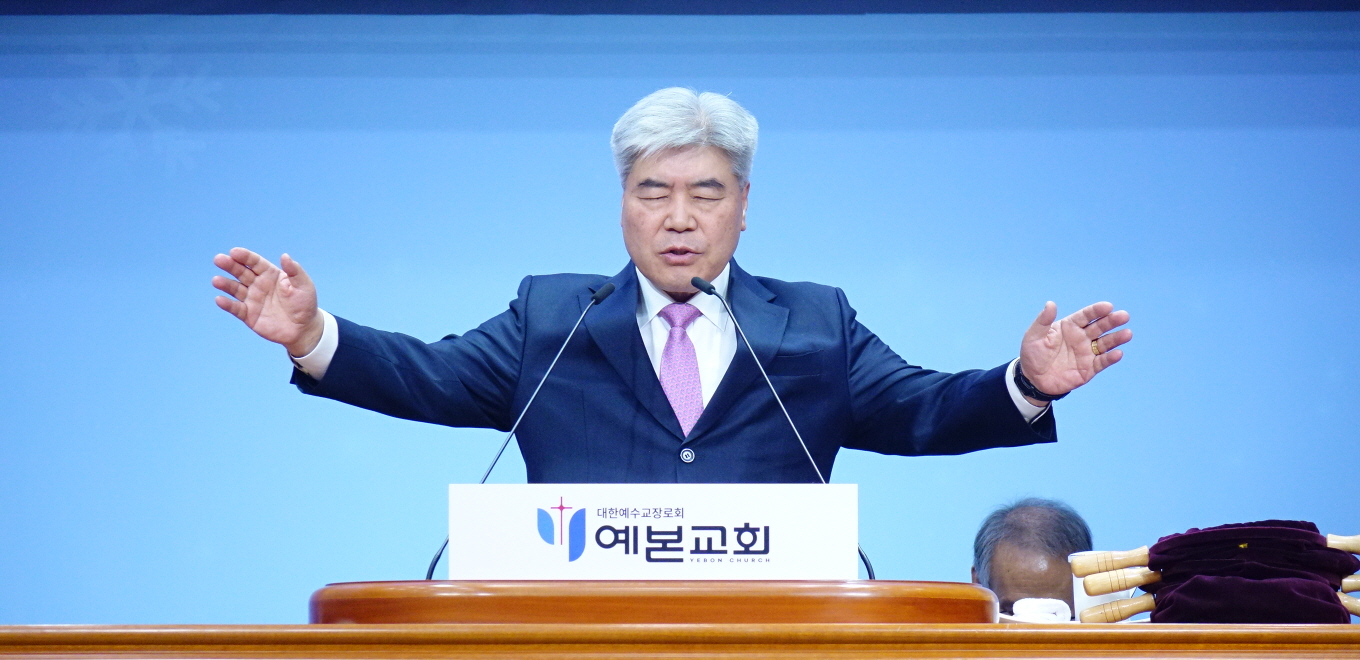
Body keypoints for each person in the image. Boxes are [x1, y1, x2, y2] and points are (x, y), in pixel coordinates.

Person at [211, 88, 1132, 482]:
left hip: (775, 656)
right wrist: (312, 335)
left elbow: (922, 410)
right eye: (654, 193)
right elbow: (430, 377)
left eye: (706, 194)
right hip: (579, 650)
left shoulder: (815, 323)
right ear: (623, 206)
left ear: (744, 208)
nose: (679, 218)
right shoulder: (552, 319)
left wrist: (1026, 384)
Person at [972, 499, 1146, 660]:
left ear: (1087, 588)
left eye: (1055, 614)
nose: (1033, 634)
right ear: (978, 585)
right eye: (1012, 612)